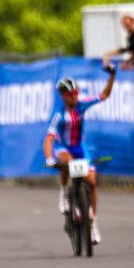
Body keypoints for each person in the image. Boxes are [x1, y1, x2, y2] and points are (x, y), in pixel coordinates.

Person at [43, 65, 116, 244]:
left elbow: (104, 95)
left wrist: (113, 75)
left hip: (80, 147)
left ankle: (92, 223)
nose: (74, 97)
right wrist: (49, 159)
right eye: (70, 95)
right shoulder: (59, 115)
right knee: (65, 162)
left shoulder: (82, 104)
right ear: (63, 96)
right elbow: (49, 140)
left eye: (76, 93)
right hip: (64, 148)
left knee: (91, 181)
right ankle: (63, 192)